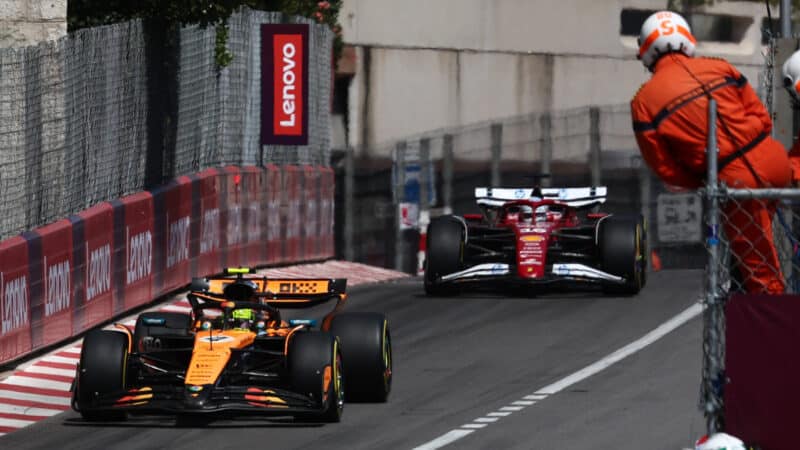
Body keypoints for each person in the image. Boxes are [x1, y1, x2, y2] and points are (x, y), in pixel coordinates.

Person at [630, 10, 792, 294]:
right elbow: (763, 119)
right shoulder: (720, 67)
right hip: (775, 159)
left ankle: (780, 332)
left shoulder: (644, 101)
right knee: (764, 250)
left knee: (763, 276)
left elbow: (665, 169)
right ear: (685, 39)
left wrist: (706, 178)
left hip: (734, 182)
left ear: (646, 50)